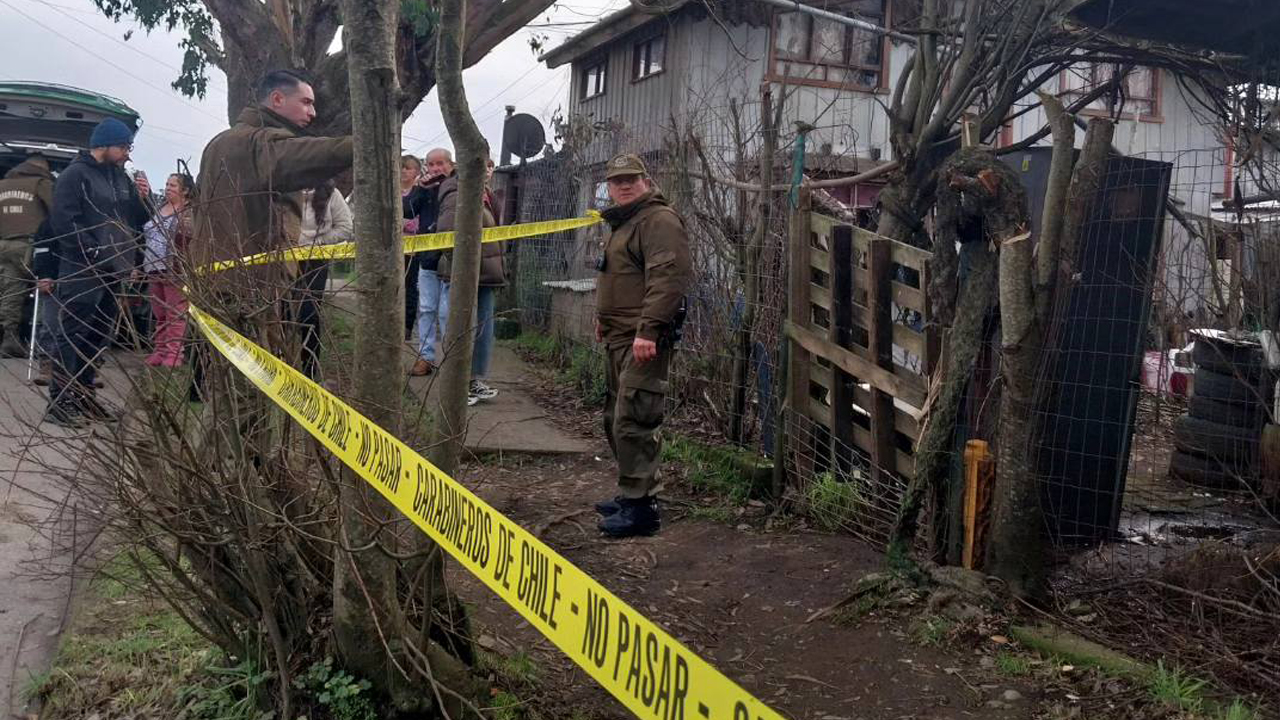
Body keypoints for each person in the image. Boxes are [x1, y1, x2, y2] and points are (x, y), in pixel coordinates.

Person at [592, 154, 692, 538]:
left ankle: (642, 508)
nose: (624, 185)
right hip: (619, 334)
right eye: (617, 181)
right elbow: (617, 277)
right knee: (614, 416)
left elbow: (669, 278)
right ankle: (631, 490)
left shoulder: (658, 221)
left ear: (646, 181)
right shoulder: (625, 222)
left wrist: (649, 330)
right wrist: (603, 319)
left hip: (643, 338)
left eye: (631, 179)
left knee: (635, 417)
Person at [192, 69, 353, 303]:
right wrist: (367, 142)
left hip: (211, 277)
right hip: (249, 286)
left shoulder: (218, 143)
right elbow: (310, 155)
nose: (312, 113)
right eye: (306, 102)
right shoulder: (260, 143)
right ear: (277, 99)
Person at [43, 117, 151, 428]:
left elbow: (136, 220)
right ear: (102, 145)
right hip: (82, 268)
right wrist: (91, 252)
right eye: (123, 147)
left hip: (113, 269)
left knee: (98, 336)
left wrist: (142, 199)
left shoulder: (121, 177)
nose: (128, 154)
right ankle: (60, 401)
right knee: (73, 334)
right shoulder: (74, 176)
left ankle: (84, 396)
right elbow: (64, 221)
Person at [435, 156, 502, 406]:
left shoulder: (487, 194)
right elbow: (446, 232)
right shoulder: (457, 192)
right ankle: (457, 386)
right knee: (462, 328)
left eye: (489, 165)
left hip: (486, 274)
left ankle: (474, 381)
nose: (485, 170)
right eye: (480, 164)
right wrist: (463, 268)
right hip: (464, 274)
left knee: (483, 329)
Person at [293, 179, 352, 377]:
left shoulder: (332, 194)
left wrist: (317, 244)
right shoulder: (284, 190)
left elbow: (345, 227)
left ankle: (310, 369)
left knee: (309, 313)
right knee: (282, 311)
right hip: (284, 259)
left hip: (315, 261)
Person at [0, 153, 53, 358]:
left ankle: (10, 336)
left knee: (8, 291)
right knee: (38, 291)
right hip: (27, 246)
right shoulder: (41, 184)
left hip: (3, 244)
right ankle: (29, 340)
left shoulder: (2, 184)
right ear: (44, 168)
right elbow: (57, 214)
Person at [141, 172, 195, 367]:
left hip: (175, 270)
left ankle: (174, 355)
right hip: (152, 267)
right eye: (167, 184)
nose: (168, 188)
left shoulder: (189, 212)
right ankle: (160, 350)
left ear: (185, 190)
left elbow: (189, 239)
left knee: (176, 313)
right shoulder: (159, 208)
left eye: (173, 185)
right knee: (160, 314)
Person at [408, 148, 453, 377]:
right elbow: (408, 210)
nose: (436, 169)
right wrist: (419, 189)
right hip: (427, 259)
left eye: (440, 163)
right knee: (426, 310)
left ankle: (450, 361)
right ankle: (425, 357)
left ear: (451, 164)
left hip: (450, 260)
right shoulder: (424, 190)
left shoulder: (456, 187)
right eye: (431, 164)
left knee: (447, 313)